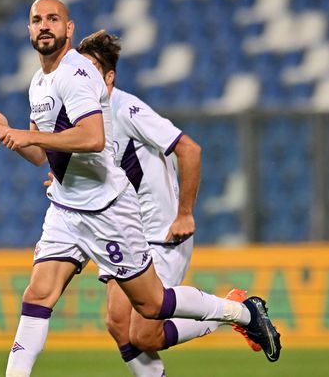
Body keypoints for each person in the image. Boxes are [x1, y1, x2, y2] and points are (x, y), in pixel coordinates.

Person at [0, 0, 281, 377]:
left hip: (108, 209)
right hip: (66, 209)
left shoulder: (77, 74)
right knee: (40, 296)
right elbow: (42, 154)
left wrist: (23, 135)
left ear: (69, 29)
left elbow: (92, 138)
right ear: (28, 29)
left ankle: (241, 312)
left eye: (53, 19)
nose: (44, 25)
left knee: (152, 308)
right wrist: (13, 136)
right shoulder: (39, 83)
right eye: (36, 19)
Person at [61, 30, 260, 374]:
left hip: (161, 233)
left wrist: (184, 214)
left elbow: (190, 149)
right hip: (124, 233)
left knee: (145, 334)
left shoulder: (126, 108)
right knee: (117, 324)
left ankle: (231, 309)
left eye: (93, 70)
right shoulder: (84, 119)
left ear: (109, 78)